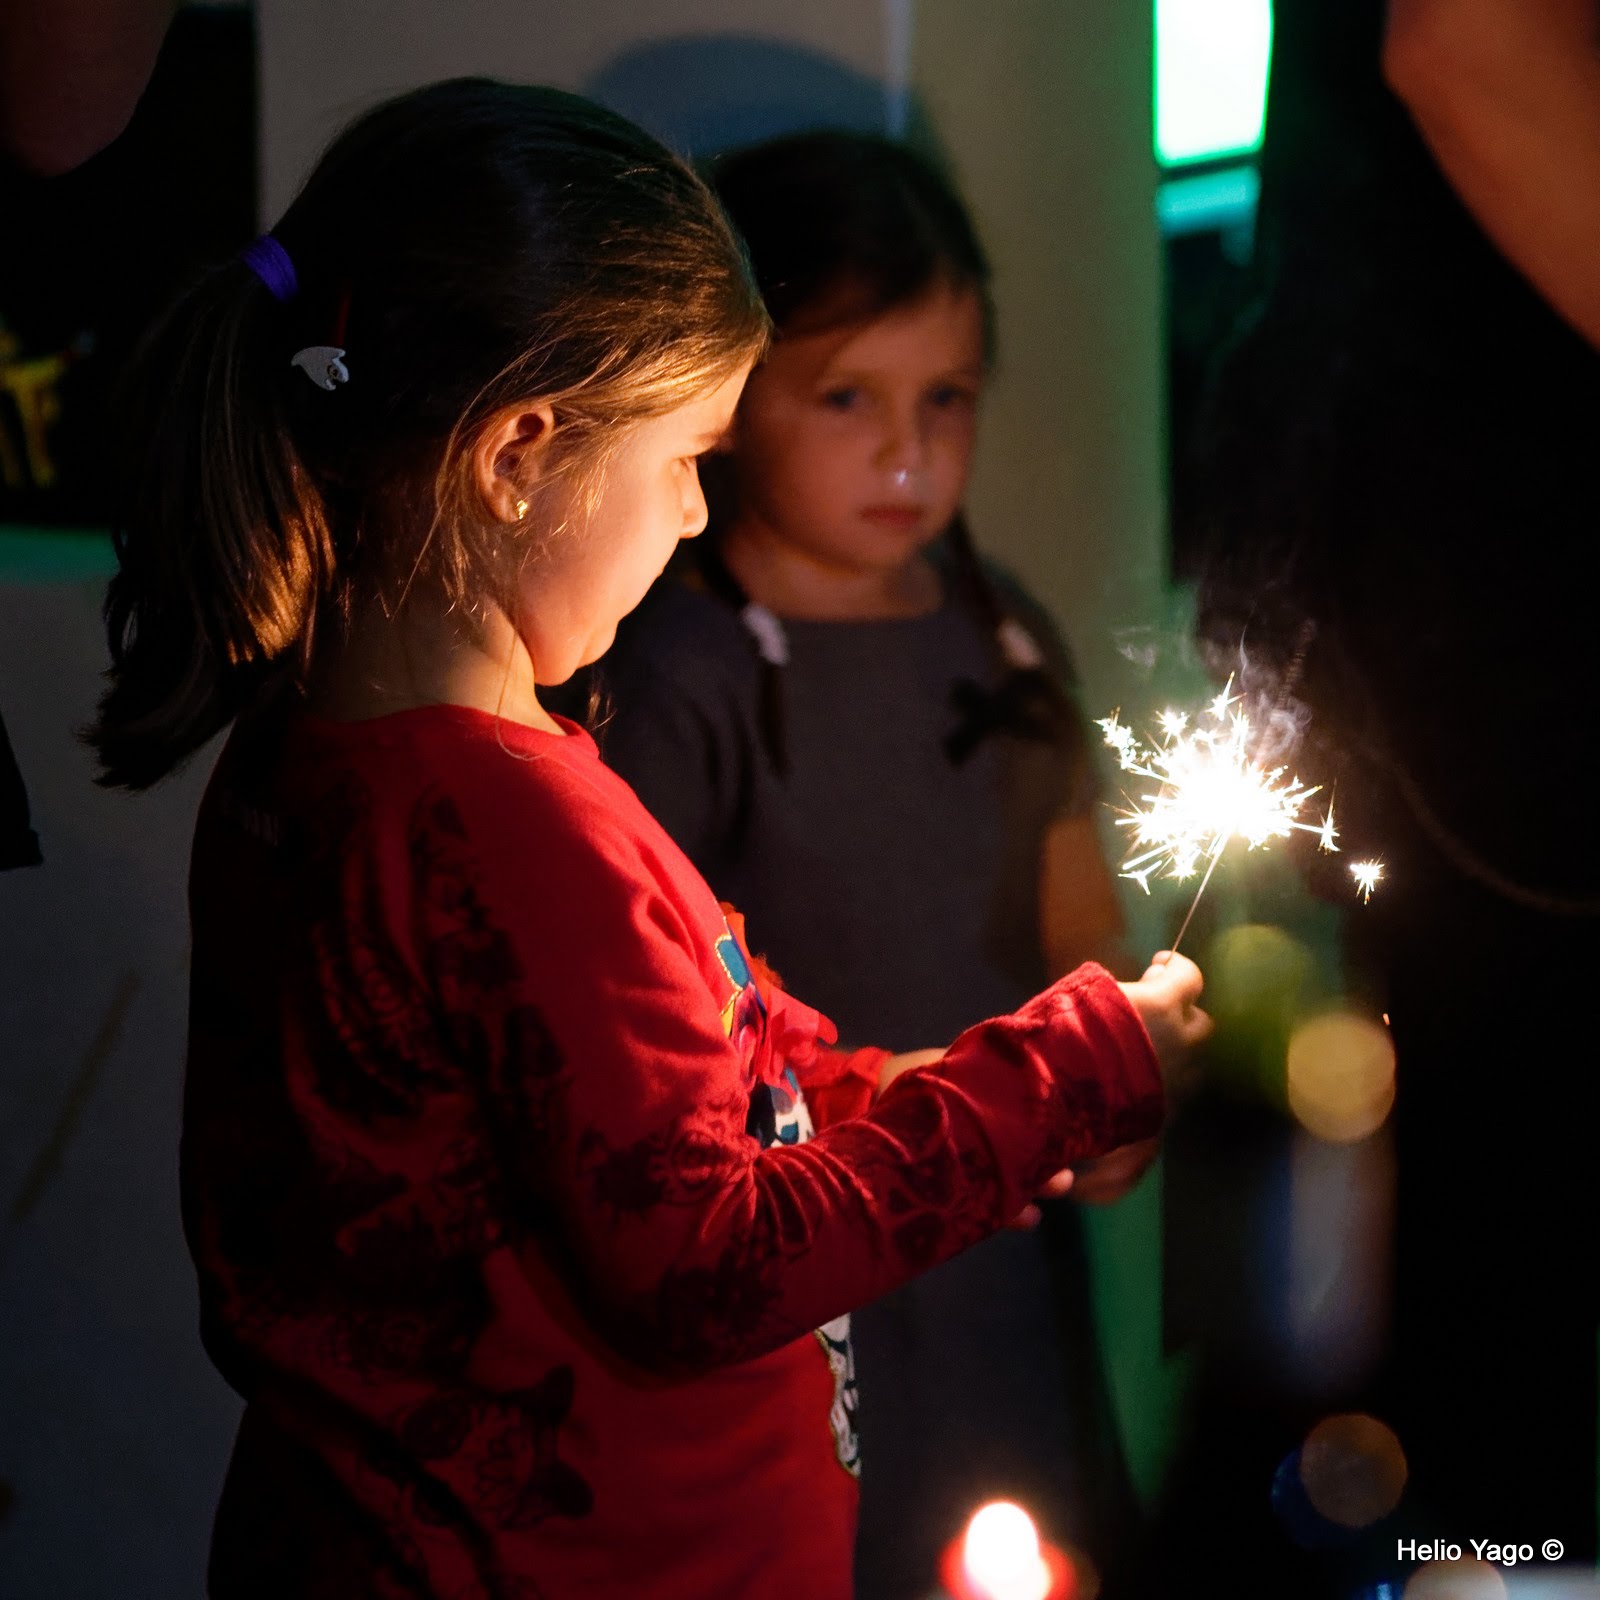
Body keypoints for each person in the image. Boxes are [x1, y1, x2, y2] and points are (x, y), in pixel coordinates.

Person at [87, 81, 1208, 1600]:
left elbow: (670, 1091)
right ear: (519, 454)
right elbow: (707, 1260)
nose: (694, 515)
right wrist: (1063, 1077)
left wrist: (889, 1092)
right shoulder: (508, 826)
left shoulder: (311, 763)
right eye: (686, 454)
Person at [594, 131, 1152, 1598]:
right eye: (846, 398)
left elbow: (1072, 900)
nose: (909, 453)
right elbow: (653, 1009)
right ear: (725, 399)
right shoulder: (681, 669)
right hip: (809, 1250)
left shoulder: (1002, 630)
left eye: (947, 400)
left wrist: (1124, 1076)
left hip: (1000, 1266)